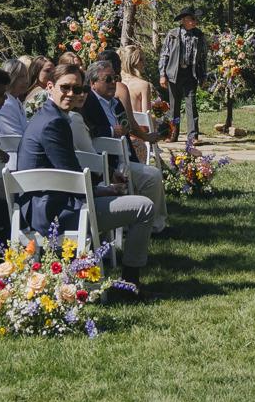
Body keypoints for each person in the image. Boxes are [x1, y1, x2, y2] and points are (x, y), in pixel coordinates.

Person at [17, 68, 154, 292]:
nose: (72, 93)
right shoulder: (55, 123)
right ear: (50, 87)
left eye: (77, 88)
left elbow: (67, 171)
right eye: (65, 87)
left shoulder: (47, 116)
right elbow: (73, 180)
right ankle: (131, 281)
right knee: (144, 207)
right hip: (56, 212)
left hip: (42, 204)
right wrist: (107, 190)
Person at [77, 57, 168, 232]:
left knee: (152, 175)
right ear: (93, 83)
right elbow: (88, 130)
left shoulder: (116, 102)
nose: (113, 83)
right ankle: (150, 225)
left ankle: (155, 223)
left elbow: (128, 127)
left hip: (126, 157)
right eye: (108, 79)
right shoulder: (86, 102)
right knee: (153, 175)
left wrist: (146, 137)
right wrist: (111, 131)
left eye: (115, 78)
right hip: (106, 164)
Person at [159, 9, 210, 140]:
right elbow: (164, 54)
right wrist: (162, 74)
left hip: (191, 73)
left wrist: (203, 76)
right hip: (174, 72)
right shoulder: (172, 34)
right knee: (174, 106)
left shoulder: (199, 35)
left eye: (195, 20)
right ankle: (173, 134)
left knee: (191, 104)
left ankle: (193, 136)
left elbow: (203, 58)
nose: (195, 22)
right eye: (192, 19)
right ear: (184, 20)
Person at [0, 57, 34, 144]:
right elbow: (15, 138)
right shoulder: (5, 104)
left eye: (26, 76)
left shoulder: (16, 100)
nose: (26, 81)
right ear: (10, 78)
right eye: (21, 77)